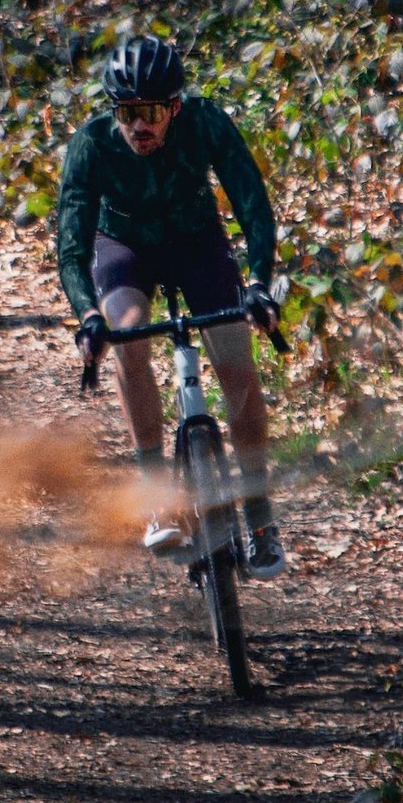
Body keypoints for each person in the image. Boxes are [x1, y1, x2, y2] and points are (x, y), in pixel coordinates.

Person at [56, 33, 286, 580]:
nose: (140, 126)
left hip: (196, 241)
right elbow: (71, 244)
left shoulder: (205, 122)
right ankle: (158, 494)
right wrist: (89, 314)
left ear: (174, 108)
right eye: (129, 112)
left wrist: (259, 281)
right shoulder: (91, 144)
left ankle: (258, 515)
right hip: (124, 248)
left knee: (236, 363)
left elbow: (252, 201)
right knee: (128, 337)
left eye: (153, 112)